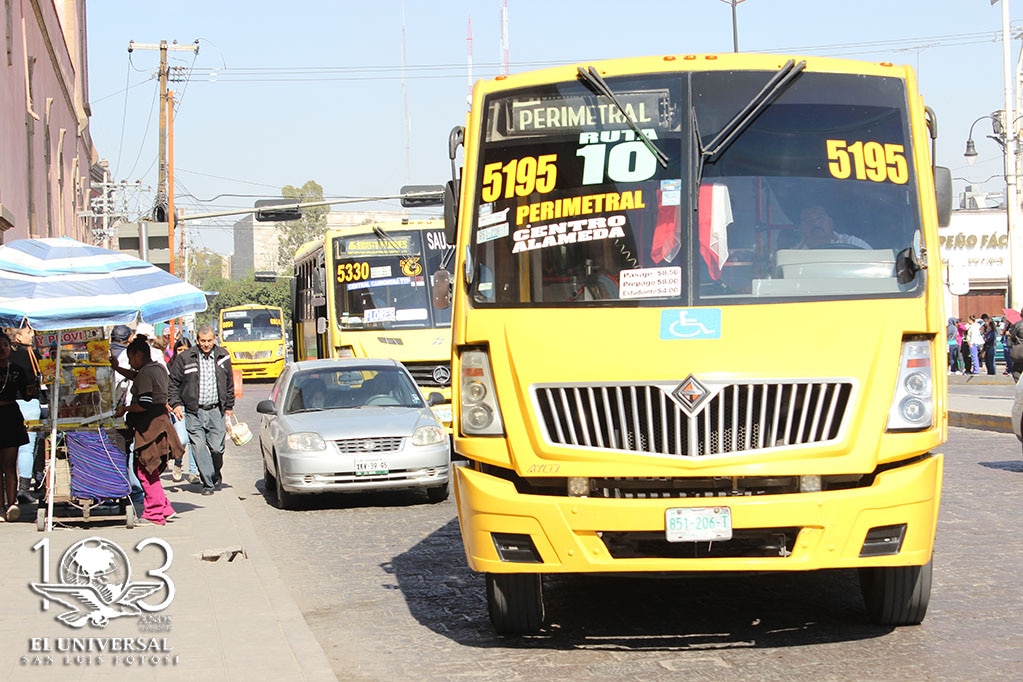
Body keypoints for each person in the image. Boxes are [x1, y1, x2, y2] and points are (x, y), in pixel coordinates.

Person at [112, 337, 182, 525]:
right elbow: (136, 376)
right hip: (160, 422)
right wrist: (117, 368)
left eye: (130, 358)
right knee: (147, 467)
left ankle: (154, 512)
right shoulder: (158, 368)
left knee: (145, 468)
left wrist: (125, 409)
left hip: (150, 426)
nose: (130, 363)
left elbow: (144, 403)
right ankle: (164, 507)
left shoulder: (145, 374)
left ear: (138, 355)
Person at [168, 325, 236, 496]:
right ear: (197, 341)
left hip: (216, 410)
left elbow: (229, 382)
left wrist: (229, 406)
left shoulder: (223, 356)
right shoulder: (185, 358)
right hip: (193, 411)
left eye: (209, 341)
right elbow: (173, 383)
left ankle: (215, 472)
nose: (206, 344)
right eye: (203, 341)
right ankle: (208, 482)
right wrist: (176, 404)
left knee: (217, 448)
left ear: (214, 339)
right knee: (198, 447)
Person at [0, 332, 35, 521]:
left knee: (9, 463)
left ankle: (12, 504)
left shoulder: (17, 370)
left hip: (10, 416)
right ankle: (0, 507)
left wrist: (31, 390)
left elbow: (26, 396)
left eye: (5, 345)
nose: (2, 349)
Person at [5, 325, 41, 502]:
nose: (31, 335)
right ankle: (24, 489)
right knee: (26, 448)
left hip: (11, 406)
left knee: (7, 452)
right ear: (18, 337)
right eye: (28, 332)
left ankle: (8, 494)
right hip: (28, 405)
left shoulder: (8, 359)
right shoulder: (30, 353)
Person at [168, 337, 198, 483]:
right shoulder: (171, 365)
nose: (182, 352)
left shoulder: (195, 363)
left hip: (193, 406)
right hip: (177, 407)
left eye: (185, 349)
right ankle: (178, 461)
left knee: (193, 439)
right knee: (182, 438)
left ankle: (193, 472)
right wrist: (171, 403)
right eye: (179, 349)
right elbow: (169, 386)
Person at [795, 205, 871, 250]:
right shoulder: (794, 253)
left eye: (820, 217)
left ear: (830, 221)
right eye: (808, 220)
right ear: (800, 227)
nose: (815, 223)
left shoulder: (853, 243)